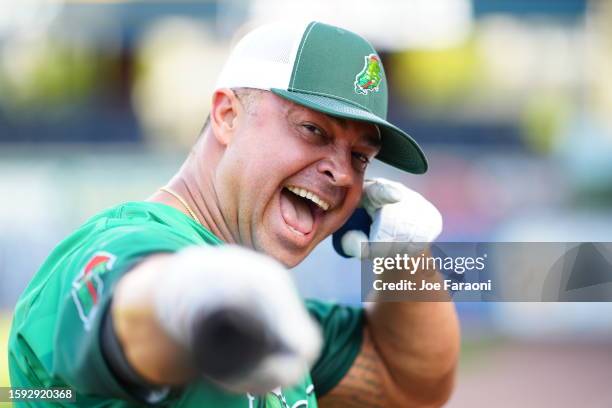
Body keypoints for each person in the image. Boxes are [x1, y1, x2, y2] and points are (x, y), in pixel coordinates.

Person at [8, 21, 459, 407]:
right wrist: (196, 299)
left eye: (361, 157)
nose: (342, 173)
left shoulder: (260, 323)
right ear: (227, 115)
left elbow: (409, 385)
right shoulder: (129, 242)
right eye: (313, 130)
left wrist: (404, 254)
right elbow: (134, 305)